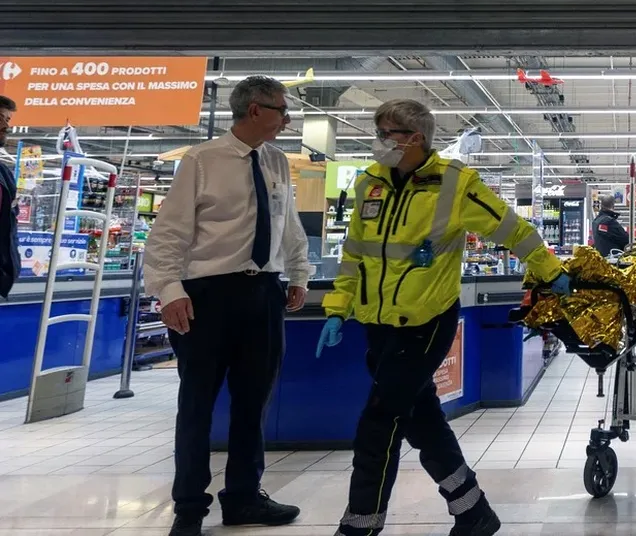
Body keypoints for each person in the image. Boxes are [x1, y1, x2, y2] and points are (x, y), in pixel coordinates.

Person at [317, 99, 570, 536]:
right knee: (422, 417)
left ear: (415, 138)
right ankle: (473, 512)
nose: (379, 144)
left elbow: (511, 228)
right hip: (377, 324)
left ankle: (360, 525)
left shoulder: (456, 184)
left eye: (386, 135)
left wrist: (552, 271)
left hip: (425, 323)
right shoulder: (370, 184)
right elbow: (354, 253)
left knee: (379, 421)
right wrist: (338, 308)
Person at [144, 76, 310, 536]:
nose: (287, 118)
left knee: (253, 401)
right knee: (196, 404)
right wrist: (170, 291)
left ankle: (242, 496)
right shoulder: (201, 161)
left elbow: (287, 224)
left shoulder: (276, 161)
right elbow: (168, 235)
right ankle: (189, 508)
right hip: (208, 297)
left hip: (264, 294)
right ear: (254, 110)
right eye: (281, 110)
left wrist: (298, 273)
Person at [0, 96, 20, 300]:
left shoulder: (4, 174)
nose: (6, 126)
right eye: (1, 119)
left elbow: (10, 224)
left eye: (8, 120)